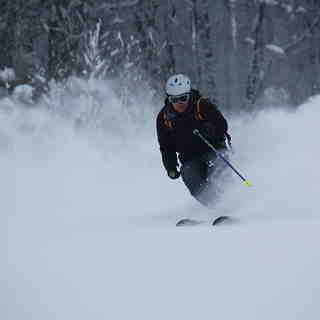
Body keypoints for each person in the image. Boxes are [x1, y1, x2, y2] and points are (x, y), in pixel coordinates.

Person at [156, 74, 231, 207]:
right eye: (174, 100)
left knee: (218, 167)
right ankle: (214, 207)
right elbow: (166, 146)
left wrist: (210, 130)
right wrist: (171, 167)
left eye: (183, 98)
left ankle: (230, 203)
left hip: (214, 149)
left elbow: (222, 125)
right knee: (190, 175)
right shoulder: (164, 118)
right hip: (189, 158)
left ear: (189, 95)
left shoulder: (202, 106)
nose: (179, 104)